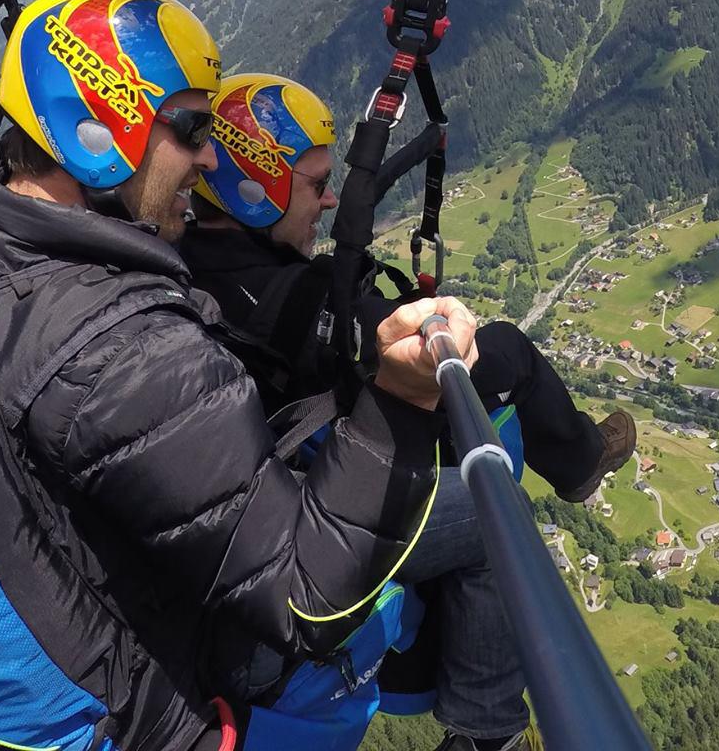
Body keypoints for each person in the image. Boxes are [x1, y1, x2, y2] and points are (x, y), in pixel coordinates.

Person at [0, 0, 484, 751]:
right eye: (188, 127)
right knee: (474, 516)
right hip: (172, 694)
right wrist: (397, 403)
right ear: (97, 131)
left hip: (54, 607)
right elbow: (303, 595)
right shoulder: (126, 349)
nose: (211, 155)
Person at [185, 73, 638, 750]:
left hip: (261, 500)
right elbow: (403, 340)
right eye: (315, 184)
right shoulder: (292, 300)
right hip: (295, 524)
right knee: (493, 502)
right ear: (254, 189)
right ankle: (488, 732)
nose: (331, 197)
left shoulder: (188, 259)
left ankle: (574, 464)